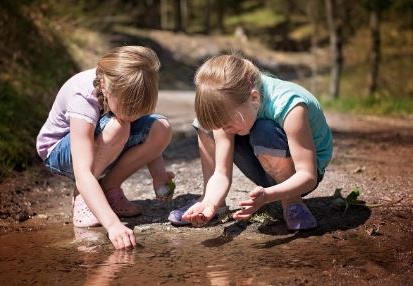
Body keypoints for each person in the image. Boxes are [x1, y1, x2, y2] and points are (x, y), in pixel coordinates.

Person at [169, 54, 333, 230]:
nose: (225, 131)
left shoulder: (289, 105)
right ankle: (212, 199)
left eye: (229, 124)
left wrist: (268, 196)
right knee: (206, 125)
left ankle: (292, 202)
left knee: (264, 130)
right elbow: (221, 173)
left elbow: (308, 177)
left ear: (254, 98)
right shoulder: (235, 108)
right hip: (264, 168)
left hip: (299, 178)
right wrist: (210, 202)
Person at [36, 46, 175, 249]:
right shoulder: (83, 98)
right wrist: (113, 225)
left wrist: (159, 174)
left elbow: (145, 132)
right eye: (130, 110)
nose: (135, 116)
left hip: (105, 143)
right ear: (104, 86)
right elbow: (82, 171)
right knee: (119, 126)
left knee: (160, 127)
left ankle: (109, 188)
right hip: (60, 153)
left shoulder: (124, 88)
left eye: (140, 112)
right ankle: (83, 197)